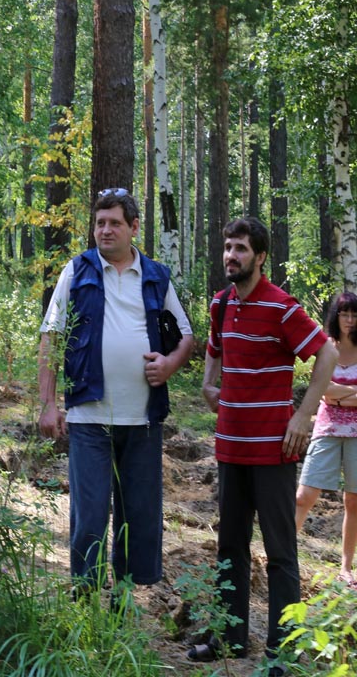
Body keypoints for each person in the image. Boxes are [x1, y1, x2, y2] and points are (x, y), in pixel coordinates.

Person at [188, 217, 336, 670]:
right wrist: (209, 385)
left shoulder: (282, 307)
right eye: (228, 247)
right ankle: (231, 640)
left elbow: (326, 351)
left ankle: (282, 648)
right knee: (229, 545)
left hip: (274, 450)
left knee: (280, 551)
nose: (231, 256)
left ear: (260, 257)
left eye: (241, 249)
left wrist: (304, 415)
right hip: (231, 447)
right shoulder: (219, 304)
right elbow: (214, 347)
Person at [38, 188, 194, 591]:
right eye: (99, 223)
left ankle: (124, 601)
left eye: (114, 223)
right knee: (89, 514)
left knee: (138, 515)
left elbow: (186, 337)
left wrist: (169, 364)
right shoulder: (77, 271)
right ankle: (86, 597)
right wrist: (48, 404)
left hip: (142, 417)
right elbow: (51, 337)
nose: (105, 231)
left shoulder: (157, 277)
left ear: (134, 228)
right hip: (89, 416)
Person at [295, 291, 357, 590]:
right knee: (304, 495)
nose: (349, 320)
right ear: (336, 316)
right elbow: (322, 389)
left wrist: (337, 394)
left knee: (353, 501)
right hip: (326, 428)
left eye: (354, 315)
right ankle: (284, 556)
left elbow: (332, 390)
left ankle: (346, 568)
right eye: (344, 314)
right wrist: (349, 396)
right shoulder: (327, 347)